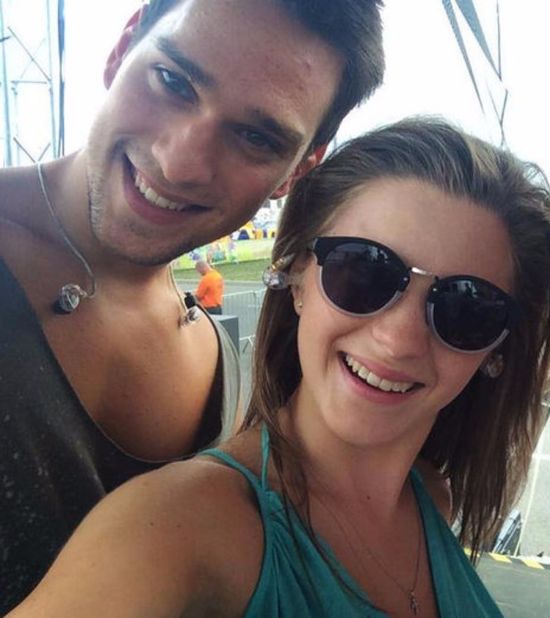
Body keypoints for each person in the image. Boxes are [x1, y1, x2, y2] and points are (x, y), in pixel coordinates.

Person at [10, 117, 550, 617]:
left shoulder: (430, 497)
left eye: (466, 308)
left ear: (498, 348)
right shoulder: (175, 531)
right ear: (298, 277)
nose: (399, 340)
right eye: (363, 272)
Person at [0, 0, 384, 610]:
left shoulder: (219, 361)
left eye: (256, 137)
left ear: (297, 171)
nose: (179, 162)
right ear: (123, 46)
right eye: (173, 81)